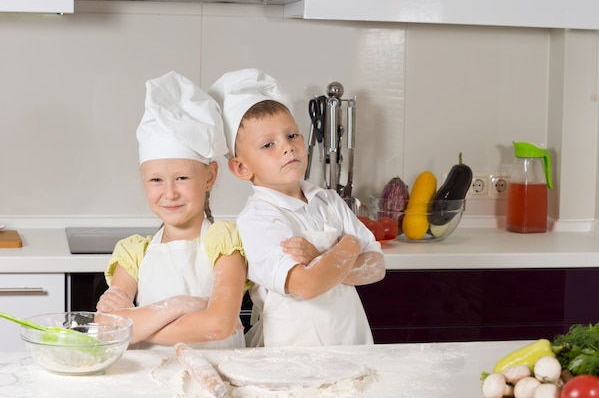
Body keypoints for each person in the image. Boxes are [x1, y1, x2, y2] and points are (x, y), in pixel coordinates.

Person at [208, 68, 386, 347]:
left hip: (353, 346)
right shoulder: (258, 219)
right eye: (268, 144)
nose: (287, 148)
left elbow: (376, 267)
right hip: (294, 356)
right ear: (241, 167)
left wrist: (319, 256)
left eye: (292, 136)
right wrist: (349, 246)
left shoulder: (329, 201)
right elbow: (306, 285)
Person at [96, 71, 247, 349]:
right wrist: (181, 304)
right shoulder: (133, 253)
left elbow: (217, 325)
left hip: (215, 379)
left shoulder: (223, 242)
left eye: (182, 178)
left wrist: (135, 328)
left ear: (210, 177)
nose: (170, 193)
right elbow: (107, 328)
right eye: (156, 180)